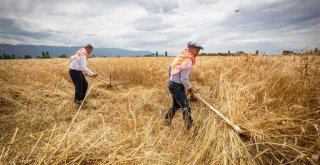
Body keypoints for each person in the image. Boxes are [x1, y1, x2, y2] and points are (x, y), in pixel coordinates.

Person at [165, 42, 203, 130]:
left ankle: (167, 120)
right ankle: (190, 128)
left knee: (176, 105)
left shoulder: (180, 56)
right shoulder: (188, 60)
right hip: (177, 86)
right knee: (186, 107)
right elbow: (184, 79)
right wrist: (190, 89)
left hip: (172, 84)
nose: (198, 53)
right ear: (190, 49)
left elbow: (170, 68)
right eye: (197, 51)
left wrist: (172, 78)